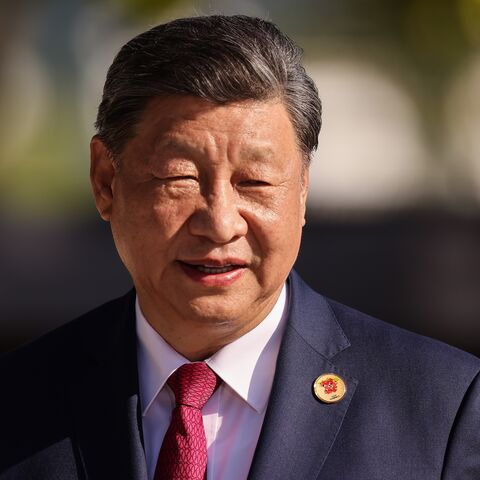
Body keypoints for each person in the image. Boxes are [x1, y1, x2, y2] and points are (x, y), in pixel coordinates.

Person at [0, 15, 479, 480]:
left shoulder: (442, 407)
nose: (221, 224)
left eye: (255, 181)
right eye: (179, 178)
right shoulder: (20, 398)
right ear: (106, 181)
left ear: (302, 190)